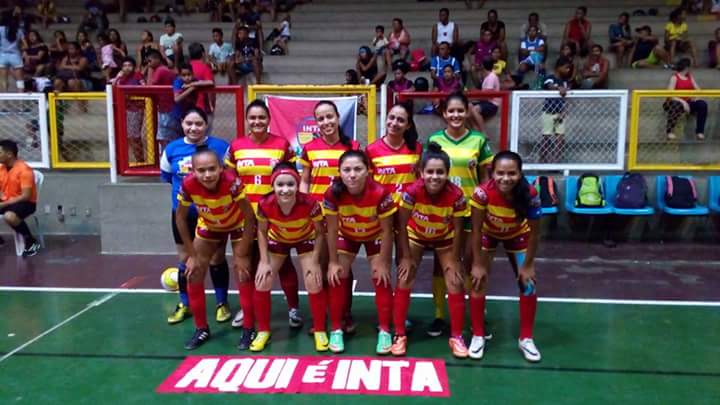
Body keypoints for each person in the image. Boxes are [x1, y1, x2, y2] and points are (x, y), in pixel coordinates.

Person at [225, 100, 302, 338]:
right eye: (253, 118)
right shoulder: (236, 146)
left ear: (269, 120)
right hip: (245, 218)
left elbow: (290, 178)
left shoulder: (281, 145)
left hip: (274, 216)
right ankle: (248, 311)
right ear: (247, 120)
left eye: (262, 117)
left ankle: (293, 308)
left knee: (282, 262)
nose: (257, 122)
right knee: (244, 264)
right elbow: (229, 180)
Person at [425, 92, 493, 338]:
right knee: (440, 264)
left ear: (467, 113)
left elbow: (486, 178)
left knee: (466, 261)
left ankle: (469, 312)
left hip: (470, 211)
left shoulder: (479, 140)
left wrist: (483, 203)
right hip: (441, 211)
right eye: (450, 111)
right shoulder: (434, 140)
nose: (455, 115)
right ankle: (439, 315)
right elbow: (427, 174)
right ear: (444, 113)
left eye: (460, 111)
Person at [175, 147, 256, 350]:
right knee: (192, 273)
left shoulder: (232, 183)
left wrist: (242, 252)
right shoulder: (187, 185)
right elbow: (180, 218)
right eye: (201, 170)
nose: (207, 174)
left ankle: (249, 328)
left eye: (212, 169)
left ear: (221, 168)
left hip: (238, 224)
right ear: (193, 171)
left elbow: (249, 217)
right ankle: (201, 328)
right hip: (210, 226)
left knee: (243, 271)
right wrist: (191, 255)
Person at [394, 142, 468, 357]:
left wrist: (455, 259)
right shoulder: (411, 192)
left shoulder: (457, 195)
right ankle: (399, 335)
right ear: (421, 172)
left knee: (455, 280)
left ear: (447, 173)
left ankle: (456, 337)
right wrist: (406, 257)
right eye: (430, 172)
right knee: (405, 277)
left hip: (445, 236)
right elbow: (401, 225)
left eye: (440, 172)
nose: (434, 176)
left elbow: (459, 228)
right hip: (416, 234)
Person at [160, 108, 232, 326]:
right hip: (183, 214)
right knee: (185, 260)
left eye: (198, 123)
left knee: (216, 258)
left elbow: (229, 176)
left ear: (206, 124)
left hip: (215, 214)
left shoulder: (221, 147)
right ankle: (185, 303)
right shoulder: (172, 149)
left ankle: (222, 303)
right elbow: (166, 177)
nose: (193, 128)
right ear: (182, 123)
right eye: (189, 123)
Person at [469, 151, 542, 362]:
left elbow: (535, 233)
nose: (505, 178)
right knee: (477, 280)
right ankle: (478, 335)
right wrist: (477, 263)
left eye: (512, 173)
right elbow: (475, 230)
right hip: (488, 235)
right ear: (492, 172)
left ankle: (526, 338)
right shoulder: (482, 194)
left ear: (520, 174)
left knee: (528, 284)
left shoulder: (530, 194)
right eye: (500, 173)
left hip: (518, 235)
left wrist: (527, 265)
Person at [323, 150, 397, 354]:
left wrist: (383, 262)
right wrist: (332, 262)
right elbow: (331, 229)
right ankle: (337, 328)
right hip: (347, 235)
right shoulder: (332, 193)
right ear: (339, 172)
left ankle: (384, 330)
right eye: (346, 170)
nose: (352, 174)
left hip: (375, 236)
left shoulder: (380, 193)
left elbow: (387, 231)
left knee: (380, 275)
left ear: (368, 171)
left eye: (358, 169)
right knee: (337, 274)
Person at [251, 163, 329, 352]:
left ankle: (319, 329)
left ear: (297, 185)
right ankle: (263, 331)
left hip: (306, 239)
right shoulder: (264, 204)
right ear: (273, 186)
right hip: (278, 239)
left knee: (314, 280)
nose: (285, 190)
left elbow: (320, 233)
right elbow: (261, 232)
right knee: (262, 281)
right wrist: (263, 261)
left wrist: (316, 261)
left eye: (290, 184)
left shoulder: (310, 204)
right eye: (280, 185)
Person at [299, 101, 361, 333]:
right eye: (321, 118)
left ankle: (344, 314)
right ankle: (326, 315)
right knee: (323, 263)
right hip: (318, 216)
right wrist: (304, 205)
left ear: (337, 117)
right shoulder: (310, 148)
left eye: (329, 117)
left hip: (344, 216)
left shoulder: (352, 146)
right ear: (316, 123)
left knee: (342, 266)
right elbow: (305, 179)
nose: (326, 122)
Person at [366, 103, 421, 202]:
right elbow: (368, 185)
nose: (394, 123)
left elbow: (420, 181)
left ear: (408, 125)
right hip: (383, 210)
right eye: (391, 117)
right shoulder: (371, 149)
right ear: (386, 119)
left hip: (409, 209)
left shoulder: (417, 148)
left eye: (401, 120)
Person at [0, 139, 40, 257]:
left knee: (9, 216)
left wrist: (4, 204)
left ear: (9, 154)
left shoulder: (24, 170)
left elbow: (26, 196)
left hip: (26, 203)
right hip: (8, 200)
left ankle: (31, 241)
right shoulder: (2, 168)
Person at [111, 57, 146, 162]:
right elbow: (112, 90)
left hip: (135, 110)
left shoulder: (137, 76)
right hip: (123, 110)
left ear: (134, 67)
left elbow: (144, 88)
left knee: (134, 137)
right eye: (125, 66)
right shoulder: (120, 78)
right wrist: (117, 78)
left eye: (129, 65)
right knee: (128, 137)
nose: (127, 68)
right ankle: (137, 160)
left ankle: (140, 161)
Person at [663, 58, 706, 141]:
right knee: (676, 105)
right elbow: (670, 95)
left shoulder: (690, 76)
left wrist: (696, 97)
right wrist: (682, 102)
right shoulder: (674, 77)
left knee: (702, 104)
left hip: (688, 102)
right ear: (687, 67)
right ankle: (669, 132)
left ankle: (700, 132)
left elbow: (698, 89)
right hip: (674, 102)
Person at [540, 57, 573, 163]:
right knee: (546, 139)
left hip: (560, 112)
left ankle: (556, 161)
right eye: (566, 68)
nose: (568, 70)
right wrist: (559, 89)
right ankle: (542, 160)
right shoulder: (550, 78)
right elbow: (549, 86)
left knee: (560, 139)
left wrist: (565, 111)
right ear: (559, 67)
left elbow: (566, 98)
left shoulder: (565, 82)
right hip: (548, 112)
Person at [146, 49, 178, 151]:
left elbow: (149, 87)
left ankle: (166, 159)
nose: (148, 64)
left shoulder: (161, 70)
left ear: (157, 59)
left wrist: (149, 71)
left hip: (167, 109)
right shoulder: (160, 69)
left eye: (149, 61)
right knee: (166, 137)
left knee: (165, 137)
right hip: (165, 108)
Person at [474, 58, 501, 133]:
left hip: (492, 104)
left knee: (475, 109)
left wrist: (473, 97)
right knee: (468, 106)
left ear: (482, 66)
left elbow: (488, 96)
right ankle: (475, 128)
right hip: (485, 102)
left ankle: (483, 132)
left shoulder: (491, 77)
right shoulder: (487, 77)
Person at [0, 10, 24, 92]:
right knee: (19, 80)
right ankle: (21, 101)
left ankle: (5, 98)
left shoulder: (0, 29)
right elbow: (26, 45)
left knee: (4, 79)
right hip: (15, 55)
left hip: (3, 55)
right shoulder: (19, 30)